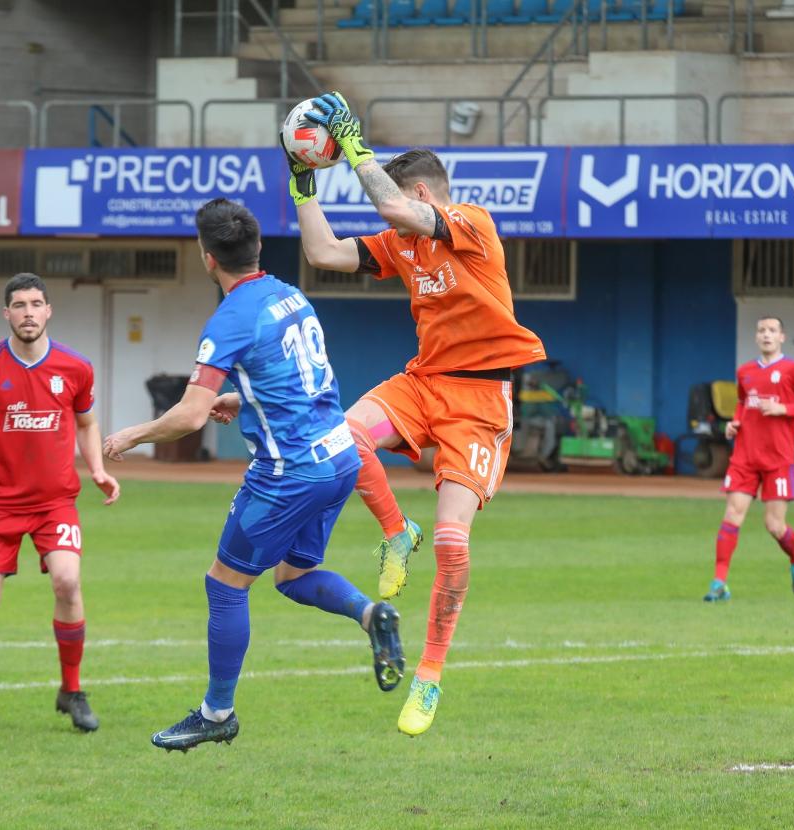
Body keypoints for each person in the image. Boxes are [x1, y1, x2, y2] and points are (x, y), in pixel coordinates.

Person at [103, 198, 404, 752]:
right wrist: (245, 399)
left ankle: (217, 713)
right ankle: (371, 612)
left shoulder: (230, 318)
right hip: (340, 457)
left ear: (206, 257)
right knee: (290, 577)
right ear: (258, 248)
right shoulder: (290, 295)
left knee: (224, 584)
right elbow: (298, 381)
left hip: (290, 472)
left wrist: (132, 435)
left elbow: (189, 416)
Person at [289, 92, 547, 736]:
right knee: (340, 437)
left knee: (455, 546)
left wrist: (352, 144)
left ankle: (429, 678)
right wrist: (301, 184)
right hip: (424, 383)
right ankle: (397, 530)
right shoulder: (402, 242)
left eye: (406, 214)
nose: (396, 229)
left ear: (428, 198)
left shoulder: (472, 223)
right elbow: (323, 253)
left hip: (481, 404)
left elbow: (389, 206)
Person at [0, 273, 120, 732]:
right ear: (7, 313)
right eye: (19, 304)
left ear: (48, 311)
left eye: (36, 303)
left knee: (67, 582)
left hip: (55, 502)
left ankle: (72, 691)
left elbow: (86, 424)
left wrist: (97, 469)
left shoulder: (75, 367)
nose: (28, 312)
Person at [704, 316, 794, 602]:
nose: (766, 335)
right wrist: (734, 423)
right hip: (745, 456)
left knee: (774, 526)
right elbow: (744, 403)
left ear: (782, 336)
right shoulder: (744, 372)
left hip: (778, 459)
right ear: (756, 337)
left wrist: (782, 408)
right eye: (761, 331)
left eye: (772, 330)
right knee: (732, 514)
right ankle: (719, 583)